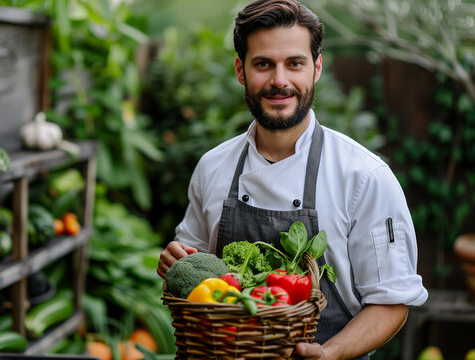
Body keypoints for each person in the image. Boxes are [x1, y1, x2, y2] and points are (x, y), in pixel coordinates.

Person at [157, 0, 428, 358]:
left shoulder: (364, 177)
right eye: (264, 64)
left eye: (294, 63)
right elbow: (192, 272)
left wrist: (330, 353)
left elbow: (392, 302)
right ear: (241, 70)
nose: (279, 81)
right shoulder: (213, 166)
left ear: (316, 68)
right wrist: (176, 262)